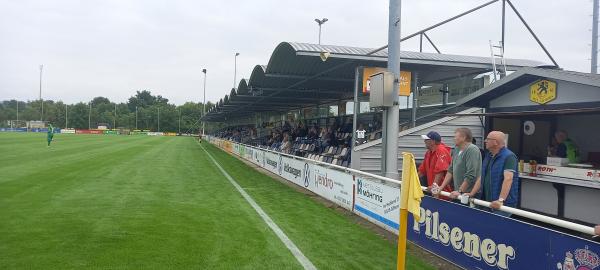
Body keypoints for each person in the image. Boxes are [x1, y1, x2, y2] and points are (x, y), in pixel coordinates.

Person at [481, 131, 519, 217]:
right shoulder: (489, 155)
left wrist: (500, 200)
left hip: (502, 205)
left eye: (488, 139)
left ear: (495, 142)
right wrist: (472, 193)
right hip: (487, 202)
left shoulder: (509, 157)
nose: (485, 141)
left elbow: (508, 179)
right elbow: (482, 176)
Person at [438, 128, 482, 201]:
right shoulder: (456, 149)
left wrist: (460, 191)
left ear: (463, 138)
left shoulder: (472, 149)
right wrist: (441, 187)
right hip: (458, 193)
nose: (454, 139)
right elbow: (450, 170)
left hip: (469, 194)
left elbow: (471, 173)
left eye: (455, 136)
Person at [419, 131, 453, 197]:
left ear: (433, 141)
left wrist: (434, 186)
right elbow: (422, 171)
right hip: (434, 191)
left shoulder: (442, 150)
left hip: (443, 193)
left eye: (426, 139)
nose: (424, 141)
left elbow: (440, 171)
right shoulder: (428, 153)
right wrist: (412, 180)